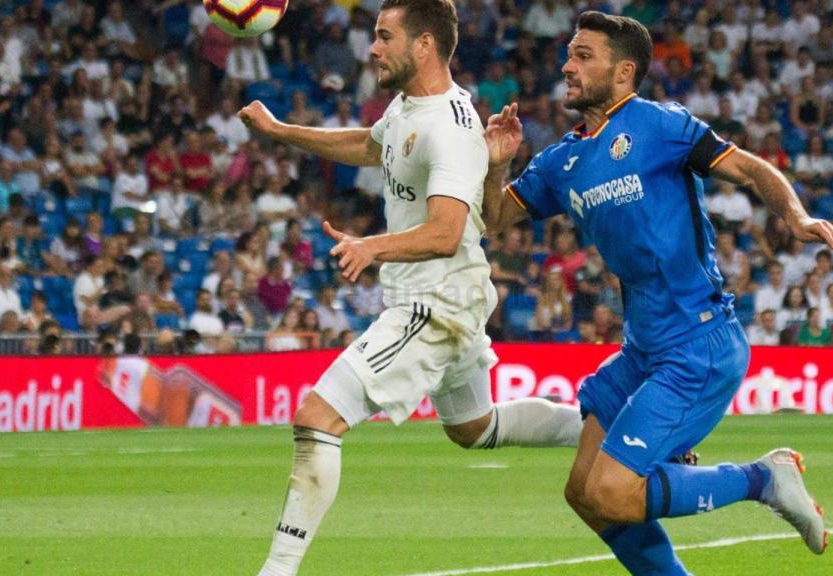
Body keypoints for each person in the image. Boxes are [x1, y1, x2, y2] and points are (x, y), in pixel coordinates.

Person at [482, 12, 833, 574]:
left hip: (698, 345)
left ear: (624, 70)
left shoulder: (661, 126)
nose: (567, 64)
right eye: (569, 53)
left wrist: (796, 217)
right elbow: (492, 218)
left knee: (612, 492)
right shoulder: (562, 161)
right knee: (585, 493)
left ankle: (762, 478)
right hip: (644, 352)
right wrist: (496, 166)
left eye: (584, 55)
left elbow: (752, 171)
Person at [238, 2, 584, 574]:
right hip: (450, 291)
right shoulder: (408, 105)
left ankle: (276, 571)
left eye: (383, 36)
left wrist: (371, 246)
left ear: (423, 44)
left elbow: (448, 232)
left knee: (316, 418)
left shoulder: (450, 127)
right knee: (476, 428)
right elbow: (373, 147)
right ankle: (603, 428)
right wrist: (280, 131)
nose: (372, 48)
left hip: (435, 301)